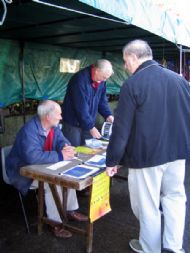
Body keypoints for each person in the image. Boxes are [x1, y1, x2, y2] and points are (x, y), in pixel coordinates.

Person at [106, 40, 190, 253]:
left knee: (148, 206)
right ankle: (173, 248)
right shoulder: (180, 81)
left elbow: (121, 129)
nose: (125, 67)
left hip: (147, 157)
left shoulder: (133, 84)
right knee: (175, 199)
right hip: (177, 154)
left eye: (125, 61)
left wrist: (112, 160)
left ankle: (149, 249)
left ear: (134, 57)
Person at [6, 100, 88, 239]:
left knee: (68, 173)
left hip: (43, 165)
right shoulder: (29, 131)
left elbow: (62, 140)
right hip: (23, 172)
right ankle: (55, 223)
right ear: (48, 117)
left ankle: (69, 210)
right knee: (54, 182)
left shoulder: (53, 126)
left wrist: (66, 147)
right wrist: (61, 155)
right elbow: (33, 158)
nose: (61, 117)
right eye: (59, 114)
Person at [62, 59, 114, 146]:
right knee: (74, 151)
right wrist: (90, 127)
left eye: (106, 78)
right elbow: (80, 107)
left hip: (88, 122)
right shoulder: (79, 80)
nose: (104, 80)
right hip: (73, 124)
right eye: (104, 77)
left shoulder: (101, 81)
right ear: (97, 71)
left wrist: (108, 115)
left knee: (88, 149)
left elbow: (102, 100)